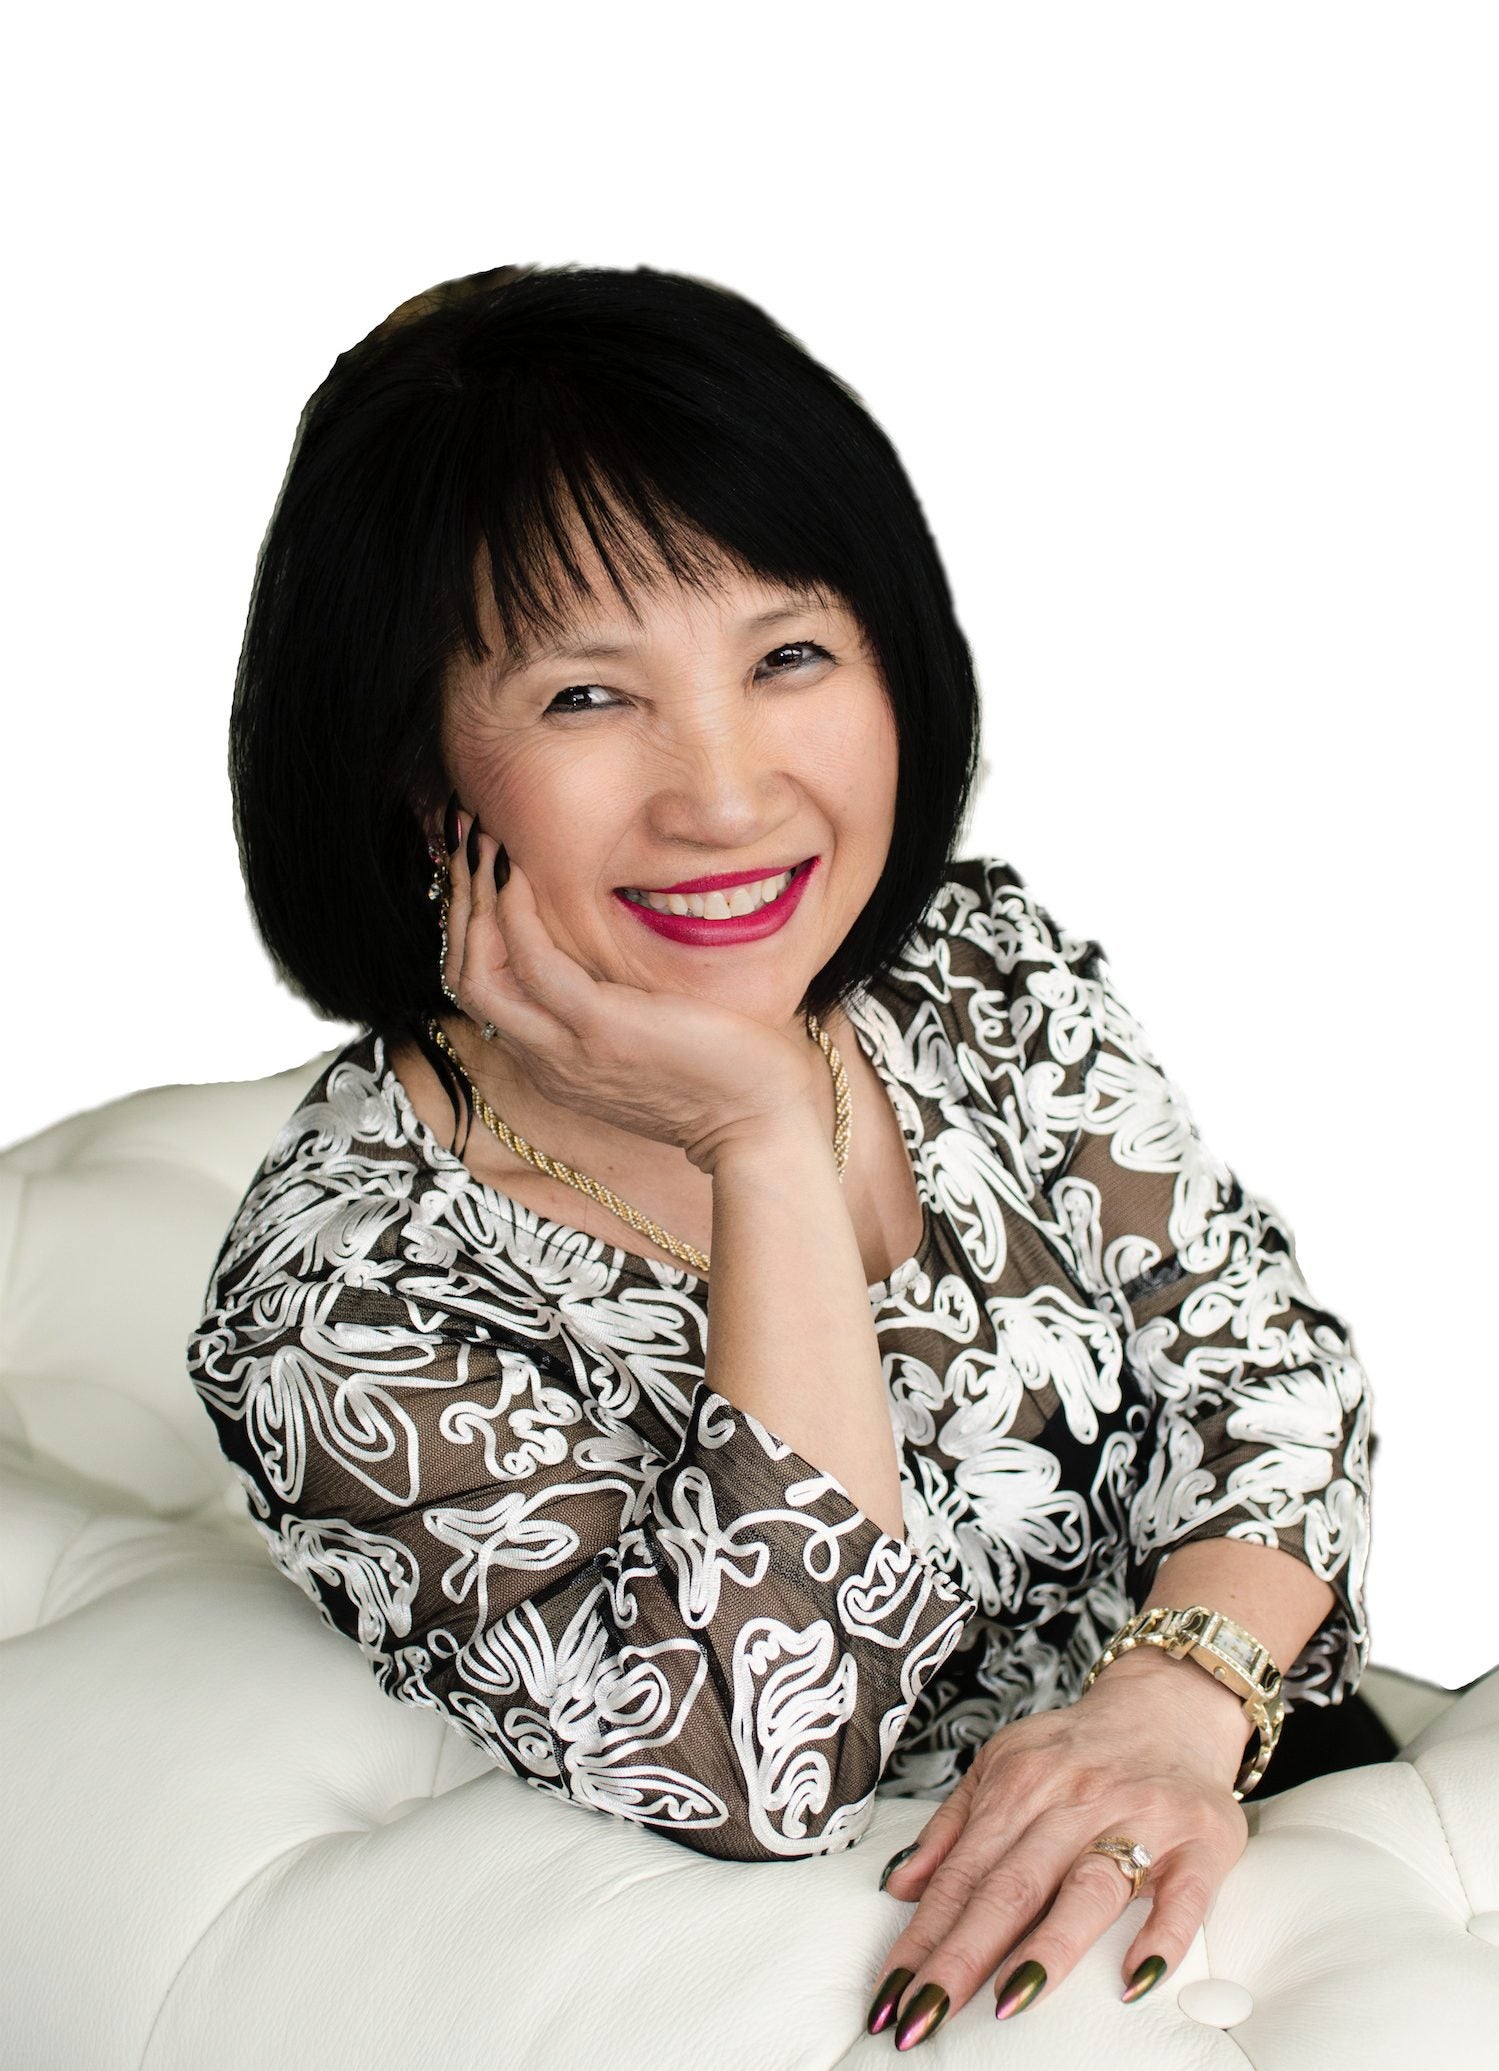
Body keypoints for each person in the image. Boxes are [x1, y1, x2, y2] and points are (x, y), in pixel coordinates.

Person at [185, 262, 1390, 2046]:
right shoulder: (339, 1304)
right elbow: (768, 1750)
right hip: (907, 1990)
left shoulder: (970, 972)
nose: (729, 795)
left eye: (790, 657)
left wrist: (1172, 1704)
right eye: (587, 698)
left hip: (1275, 1833)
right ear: (416, 775)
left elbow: (1274, 1386)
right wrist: (755, 1133)